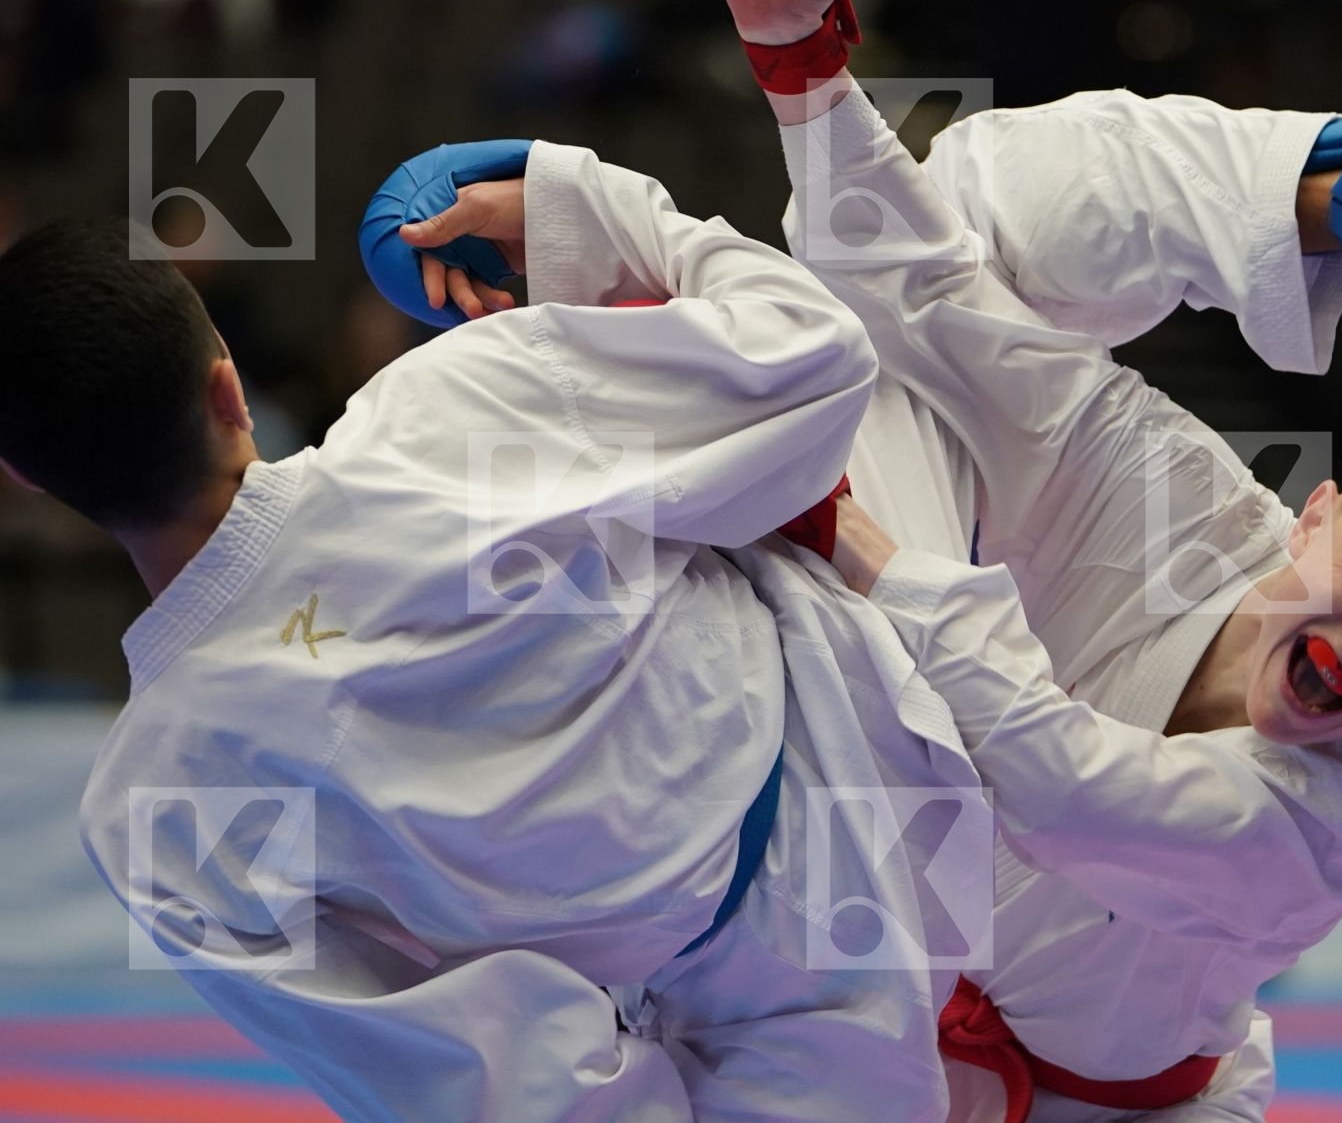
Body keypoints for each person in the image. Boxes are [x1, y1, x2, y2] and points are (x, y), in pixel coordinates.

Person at [701, 0, 1342, 1117]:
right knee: (971, 212)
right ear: (1309, 518)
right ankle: (1341, 200)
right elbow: (934, 306)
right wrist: (795, 52)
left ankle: (1321, 204)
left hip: (1125, 1103)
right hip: (889, 1028)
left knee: (883, 324)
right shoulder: (1178, 497)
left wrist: (842, 535)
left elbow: (1069, 789)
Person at [0, 154, 994, 1118]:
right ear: (228, 388)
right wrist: (583, 202)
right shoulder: (442, 407)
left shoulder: (151, 814)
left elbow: (472, 1076)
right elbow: (819, 358)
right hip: (912, 744)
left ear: (30, 479)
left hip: (750, 1012)